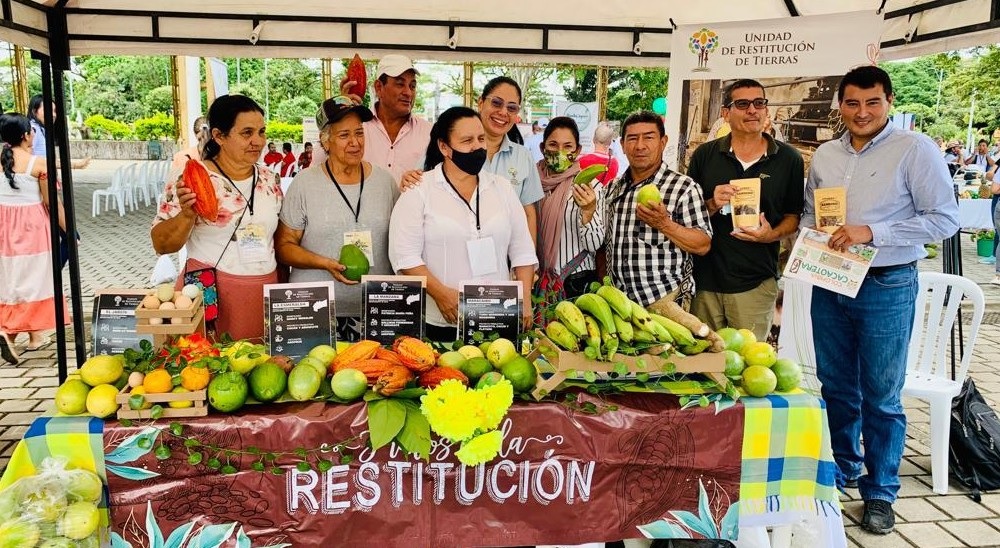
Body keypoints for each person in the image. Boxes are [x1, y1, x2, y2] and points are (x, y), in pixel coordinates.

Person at [803, 66, 958, 535]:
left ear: (889, 101)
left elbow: (944, 219)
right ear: (840, 105)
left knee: (882, 395)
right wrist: (809, 242)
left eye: (872, 102)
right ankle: (843, 468)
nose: (862, 112)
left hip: (886, 284)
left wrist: (872, 231)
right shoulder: (826, 154)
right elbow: (812, 212)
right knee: (836, 386)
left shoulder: (915, 149)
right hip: (830, 281)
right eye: (852, 103)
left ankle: (881, 491)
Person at [388, 106, 537, 341]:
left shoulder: (502, 188)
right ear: (444, 147)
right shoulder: (419, 190)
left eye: (481, 139)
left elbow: (523, 251)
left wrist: (525, 299)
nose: (477, 147)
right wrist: (441, 295)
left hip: (497, 316)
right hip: (443, 319)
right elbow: (405, 256)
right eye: (467, 141)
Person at [151, 95, 283, 342]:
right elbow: (162, 244)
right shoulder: (190, 177)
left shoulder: (269, 179)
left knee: (260, 364)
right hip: (210, 293)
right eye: (247, 133)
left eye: (261, 132)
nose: (258, 141)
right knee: (208, 361)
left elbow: (278, 239)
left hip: (263, 291)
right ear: (219, 136)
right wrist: (187, 214)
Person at [687, 79, 804, 341]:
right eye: (742, 104)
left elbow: (793, 217)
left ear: (766, 110)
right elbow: (687, 217)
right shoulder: (704, 155)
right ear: (726, 113)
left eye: (759, 103)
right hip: (705, 282)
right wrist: (712, 204)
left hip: (756, 283)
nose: (752, 110)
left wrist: (770, 235)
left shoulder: (789, 159)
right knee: (704, 357)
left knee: (749, 359)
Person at [275, 99, 398, 342]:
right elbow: (284, 247)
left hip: (377, 310)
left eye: (359, 133)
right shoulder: (305, 184)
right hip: (316, 310)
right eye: (344, 135)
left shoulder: (385, 182)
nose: (355, 142)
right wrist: (325, 263)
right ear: (325, 141)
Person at [604, 111, 712, 312]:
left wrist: (664, 224)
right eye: (632, 138)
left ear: (663, 142)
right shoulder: (613, 189)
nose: (640, 146)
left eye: (648, 137)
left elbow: (703, 244)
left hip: (665, 299)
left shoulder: (683, 187)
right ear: (622, 145)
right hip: (619, 304)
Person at [0, 113, 69, 362]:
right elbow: (51, 202)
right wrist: (69, 230)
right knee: (35, 281)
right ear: (26, 135)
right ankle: (8, 333)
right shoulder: (39, 164)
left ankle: (34, 337)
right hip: (32, 229)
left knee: (12, 281)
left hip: (4, 228)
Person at [535, 117, 604, 298]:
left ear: (577, 150)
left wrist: (588, 211)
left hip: (575, 283)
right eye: (553, 145)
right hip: (536, 282)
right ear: (542, 148)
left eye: (567, 146)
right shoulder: (530, 183)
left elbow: (594, 244)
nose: (560, 152)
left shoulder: (590, 187)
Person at [339, 54, 432, 187]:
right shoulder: (357, 126)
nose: (408, 93)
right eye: (400, 84)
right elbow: (323, 160)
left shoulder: (430, 133)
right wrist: (340, 113)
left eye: (412, 86)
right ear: (379, 87)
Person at [477, 77, 545, 245]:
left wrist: (529, 258)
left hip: (507, 254)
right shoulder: (454, 147)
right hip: (456, 251)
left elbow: (528, 214)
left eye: (512, 108)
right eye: (496, 103)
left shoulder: (523, 156)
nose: (503, 112)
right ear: (480, 103)